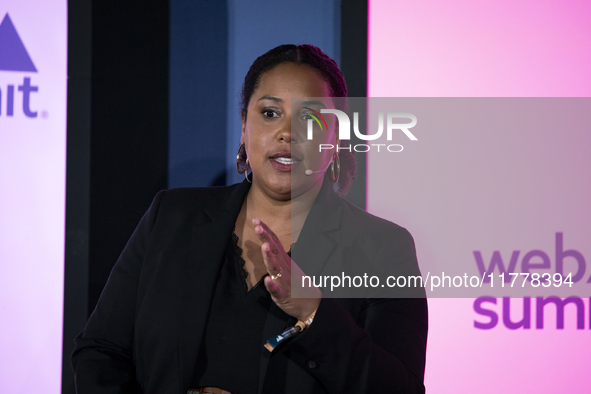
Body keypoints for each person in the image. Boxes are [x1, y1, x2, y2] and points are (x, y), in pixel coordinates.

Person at [71, 44, 428, 394]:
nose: (288, 133)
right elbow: (101, 352)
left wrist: (312, 310)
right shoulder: (172, 217)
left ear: (335, 137)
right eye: (270, 113)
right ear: (244, 125)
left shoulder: (382, 249)